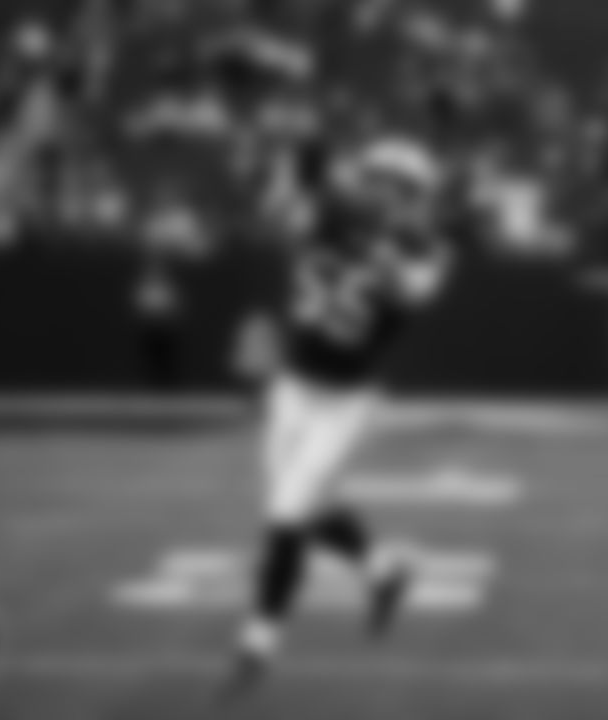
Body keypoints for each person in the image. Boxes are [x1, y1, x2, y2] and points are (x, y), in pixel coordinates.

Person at [228, 132, 456, 689]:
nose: (383, 194)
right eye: (377, 182)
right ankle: (382, 572)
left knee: (285, 514)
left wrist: (374, 241)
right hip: (292, 385)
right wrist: (299, 172)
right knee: (299, 509)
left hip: (347, 401)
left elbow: (413, 292)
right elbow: (275, 211)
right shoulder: (329, 213)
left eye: (397, 189)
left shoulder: (427, 250)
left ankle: (258, 644)